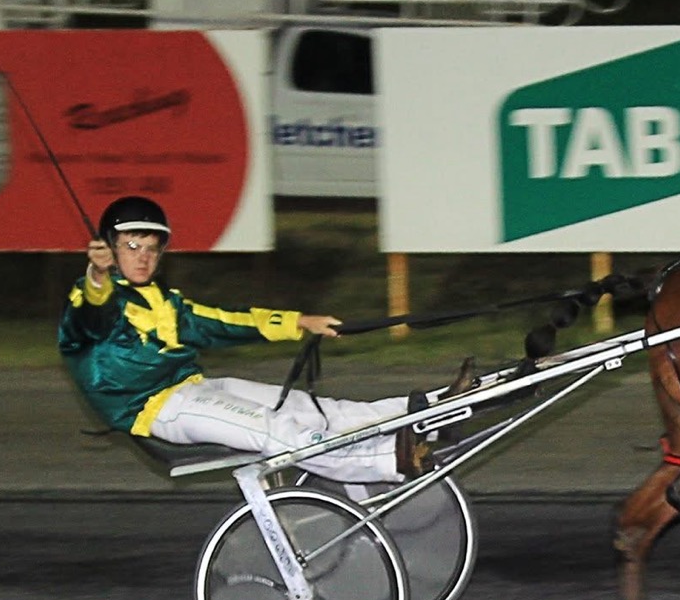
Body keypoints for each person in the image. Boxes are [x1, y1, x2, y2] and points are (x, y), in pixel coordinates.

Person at [59, 196, 471, 483]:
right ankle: (384, 460)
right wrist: (97, 275)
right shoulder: (94, 299)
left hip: (192, 390)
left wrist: (299, 322)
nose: (144, 257)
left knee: (311, 408)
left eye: (152, 248)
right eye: (132, 246)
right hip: (156, 410)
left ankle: (429, 415)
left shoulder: (166, 301)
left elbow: (230, 322)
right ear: (109, 248)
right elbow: (89, 311)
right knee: (273, 426)